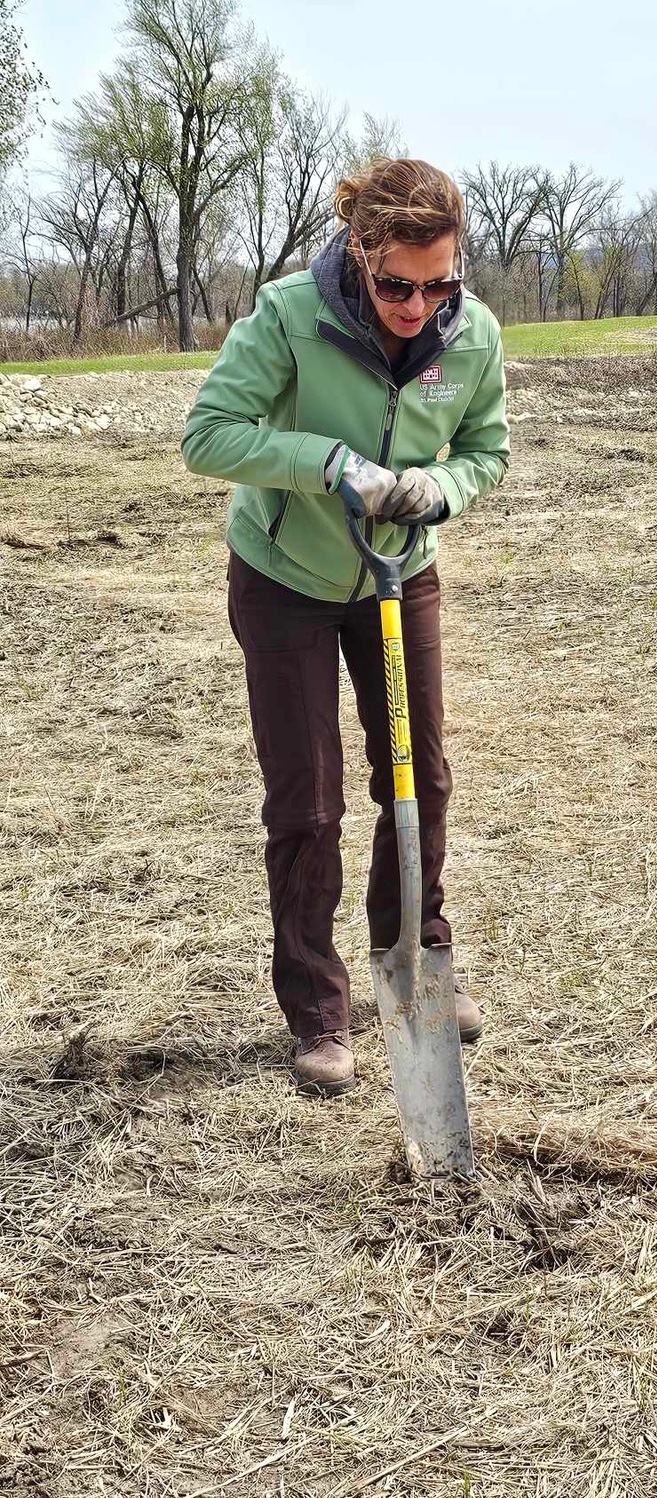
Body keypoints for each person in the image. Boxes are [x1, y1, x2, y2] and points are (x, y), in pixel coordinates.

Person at [181, 157, 509, 1096]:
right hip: (286, 577)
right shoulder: (291, 316)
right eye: (397, 284)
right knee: (308, 801)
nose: (418, 303)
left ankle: (413, 959)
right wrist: (327, 463)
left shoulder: (473, 334)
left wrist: (438, 488)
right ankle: (319, 1010)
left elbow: (486, 447)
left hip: (399, 575)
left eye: (439, 281)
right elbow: (209, 434)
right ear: (359, 257)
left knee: (420, 775)